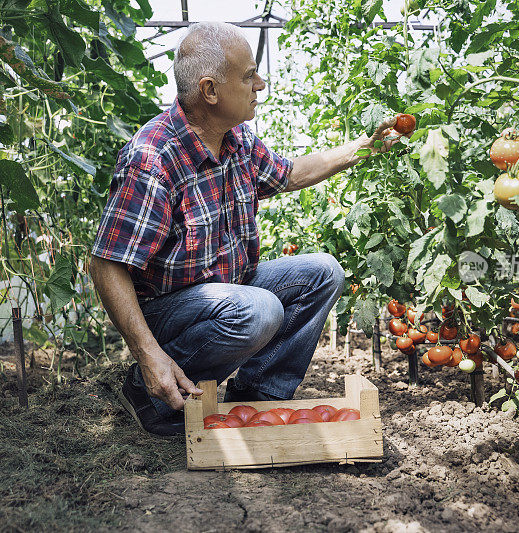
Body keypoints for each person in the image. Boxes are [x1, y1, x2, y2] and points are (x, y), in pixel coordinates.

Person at [89, 22, 406, 435]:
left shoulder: (236, 138)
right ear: (210, 91)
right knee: (259, 310)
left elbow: (289, 174)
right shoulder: (154, 159)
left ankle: (256, 400)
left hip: (230, 289)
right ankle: (148, 396)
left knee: (323, 273)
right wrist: (147, 354)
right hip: (168, 311)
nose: (260, 83)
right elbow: (105, 265)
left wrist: (360, 148)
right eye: (248, 76)